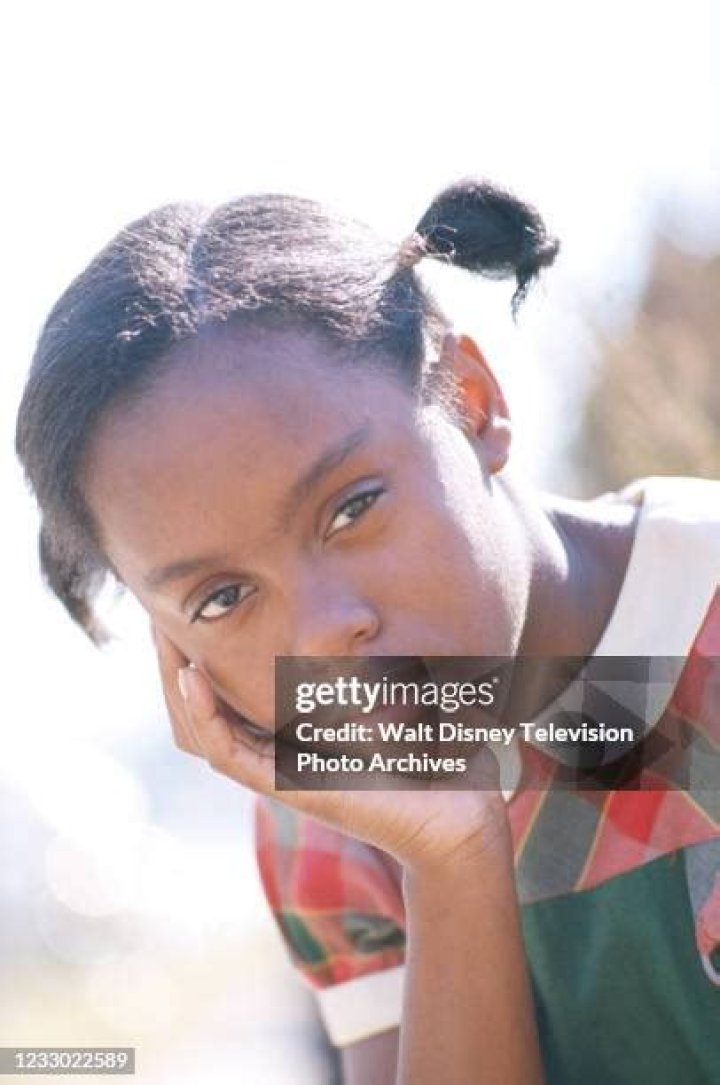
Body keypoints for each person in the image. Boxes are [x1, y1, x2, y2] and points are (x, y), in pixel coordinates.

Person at [15, 180, 720, 1085]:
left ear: (472, 401)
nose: (324, 633)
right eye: (223, 599)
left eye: (352, 509)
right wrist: (451, 860)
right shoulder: (335, 811)